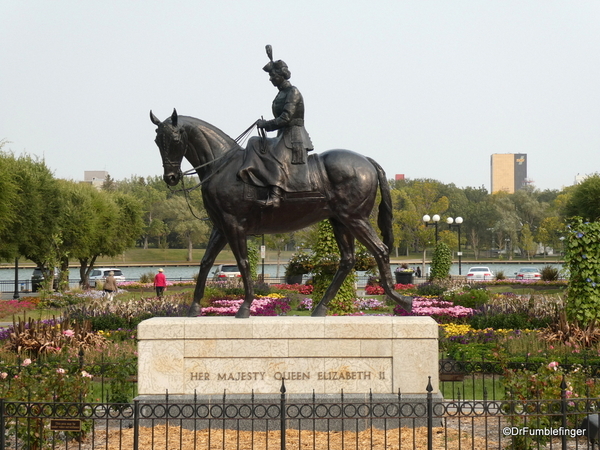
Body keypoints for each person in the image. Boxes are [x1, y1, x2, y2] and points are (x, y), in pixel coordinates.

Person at [238, 45, 314, 207]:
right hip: (282, 134)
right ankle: (250, 177)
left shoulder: (293, 92)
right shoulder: (280, 93)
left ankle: (275, 195)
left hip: (293, 136)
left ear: (280, 75)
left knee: (274, 157)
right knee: (254, 141)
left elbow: (286, 117)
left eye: (272, 75)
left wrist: (266, 124)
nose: (270, 78)